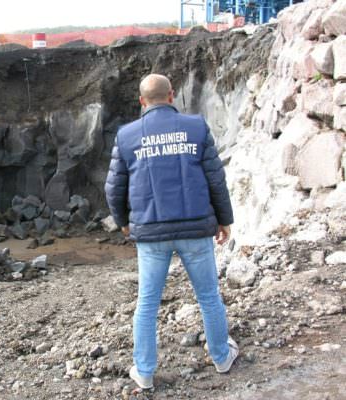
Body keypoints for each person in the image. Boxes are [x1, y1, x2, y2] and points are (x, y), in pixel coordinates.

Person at [104, 74, 238, 390]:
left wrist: (123, 221)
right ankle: (221, 356)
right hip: (195, 229)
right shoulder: (197, 127)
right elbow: (216, 179)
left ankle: (145, 372)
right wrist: (224, 219)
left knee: (147, 303)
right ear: (172, 96)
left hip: (151, 233)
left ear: (142, 101)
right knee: (208, 296)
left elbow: (114, 188)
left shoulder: (127, 136)